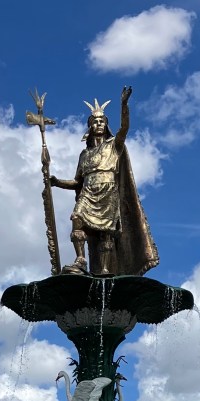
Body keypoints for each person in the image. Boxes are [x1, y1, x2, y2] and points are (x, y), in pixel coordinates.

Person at [50, 86, 159, 276]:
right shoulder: (85, 154)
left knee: (105, 233)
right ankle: (81, 260)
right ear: (90, 127)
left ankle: (105, 268)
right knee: (77, 218)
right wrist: (56, 181)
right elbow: (77, 182)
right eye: (95, 121)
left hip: (108, 191)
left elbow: (124, 128)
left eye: (102, 121)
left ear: (106, 125)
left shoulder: (114, 146)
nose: (99, 124)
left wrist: (124, 105)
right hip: (88, 191)